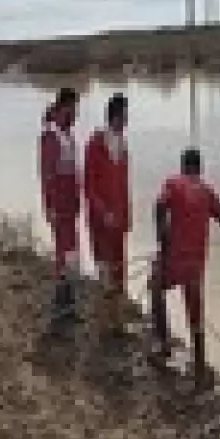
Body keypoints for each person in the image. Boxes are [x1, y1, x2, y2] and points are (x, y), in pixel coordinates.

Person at [150, 147, 220, 390]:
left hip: (175, 258)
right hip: (196, 262)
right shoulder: (206, 191)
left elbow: (159, 205)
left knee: (155, 288)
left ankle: (163, 346)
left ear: (183, 166)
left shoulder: (174, 182)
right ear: (199, 168)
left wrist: (162, 236)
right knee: (195, 312)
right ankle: (200, 368)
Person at [83, 93, 131, 336]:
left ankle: (118, 321)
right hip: (101, 222)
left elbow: (124, 183)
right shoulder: (95, 142)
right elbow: (89, 185)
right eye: (124, 115)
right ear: (114, 116)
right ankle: (103, 322)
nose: (126, 120)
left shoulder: (122, 144)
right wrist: (103, 213)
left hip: (119, 221)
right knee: (103, 270)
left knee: (119, 270)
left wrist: (127, 214)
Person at [39, 86, 82, 321]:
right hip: (59, 204)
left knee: (71, 252)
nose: (77, 113)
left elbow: (72, 171)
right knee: (63, 252)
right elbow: (47, 173)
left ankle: (68, 302)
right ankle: (60, 305)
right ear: (65, 106)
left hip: (69, 204)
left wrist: (76, 199)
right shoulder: (51, 134)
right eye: (75, 108)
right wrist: (50, 206)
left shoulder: (66, 134)